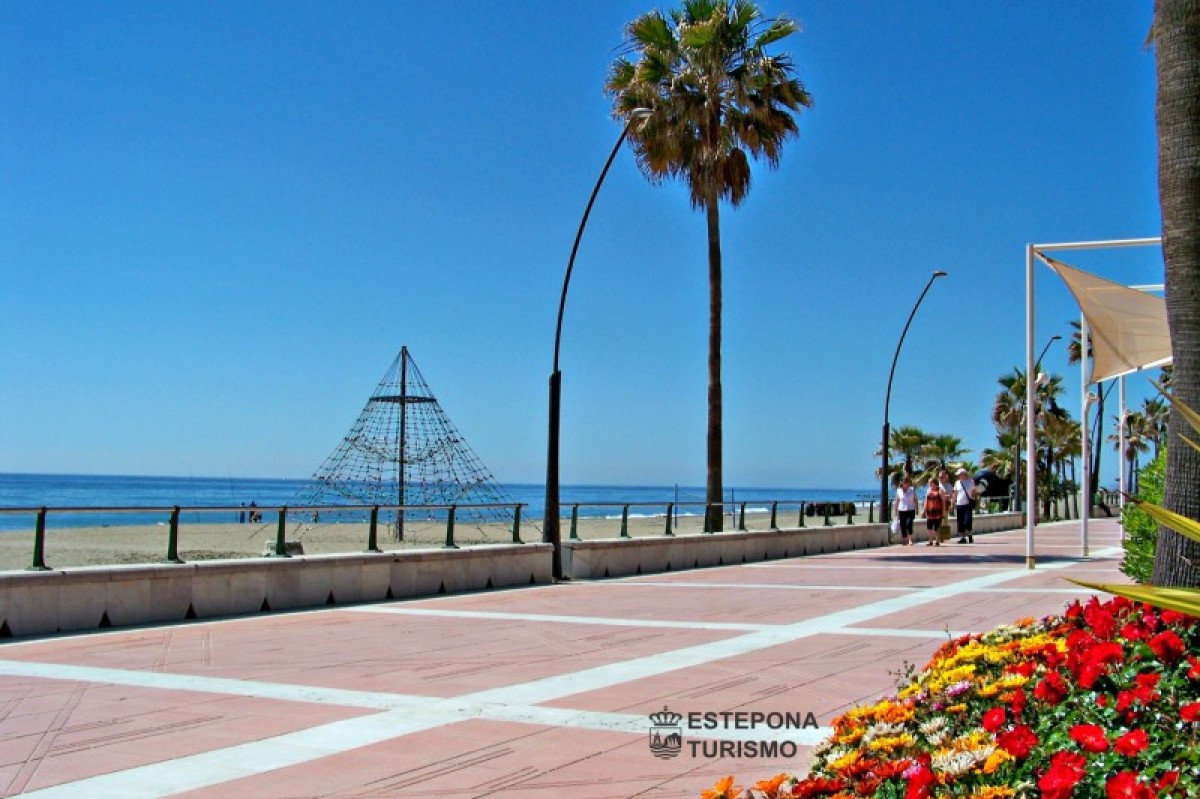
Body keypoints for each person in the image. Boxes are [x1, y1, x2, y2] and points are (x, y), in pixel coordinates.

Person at [952, 467, 976, 543]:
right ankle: (963, 538)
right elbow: (955, 493)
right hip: (959, 504)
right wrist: (953, 502)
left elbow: (974, 492)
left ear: (964, 474)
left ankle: (970, 535)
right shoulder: (957, 483)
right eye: (958, 475)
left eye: (960, 474)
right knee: (960, 522)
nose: (958, 476)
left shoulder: (971, 481)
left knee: (967, 522)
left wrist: (974, 499)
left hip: (968, 504)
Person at [894, 476, 917, 546]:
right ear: (902, 483)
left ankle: (910, 540)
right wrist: (895, 510)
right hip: (902, 510)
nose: (906, 484)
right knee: (903, 525)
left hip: (911, 509)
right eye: (905, 483)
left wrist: (917, 508)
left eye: (907, 483)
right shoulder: (899, 491)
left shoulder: (912, 490)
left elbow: (915, 499)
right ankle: (904, 539)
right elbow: (897, 501)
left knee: (909, 524)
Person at [922, 478, 944, 546]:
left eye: (930, 483)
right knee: (929, 527)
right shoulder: (928, 490)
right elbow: (926, 500)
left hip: (938, 511)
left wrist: (943, 511)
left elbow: (943, 501)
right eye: (929, 483)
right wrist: (924, 510)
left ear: (934, 483)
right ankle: (930, 541)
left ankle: (937, 541)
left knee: (936, 527)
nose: (929, 484)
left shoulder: (940, 490)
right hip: (929, 511)